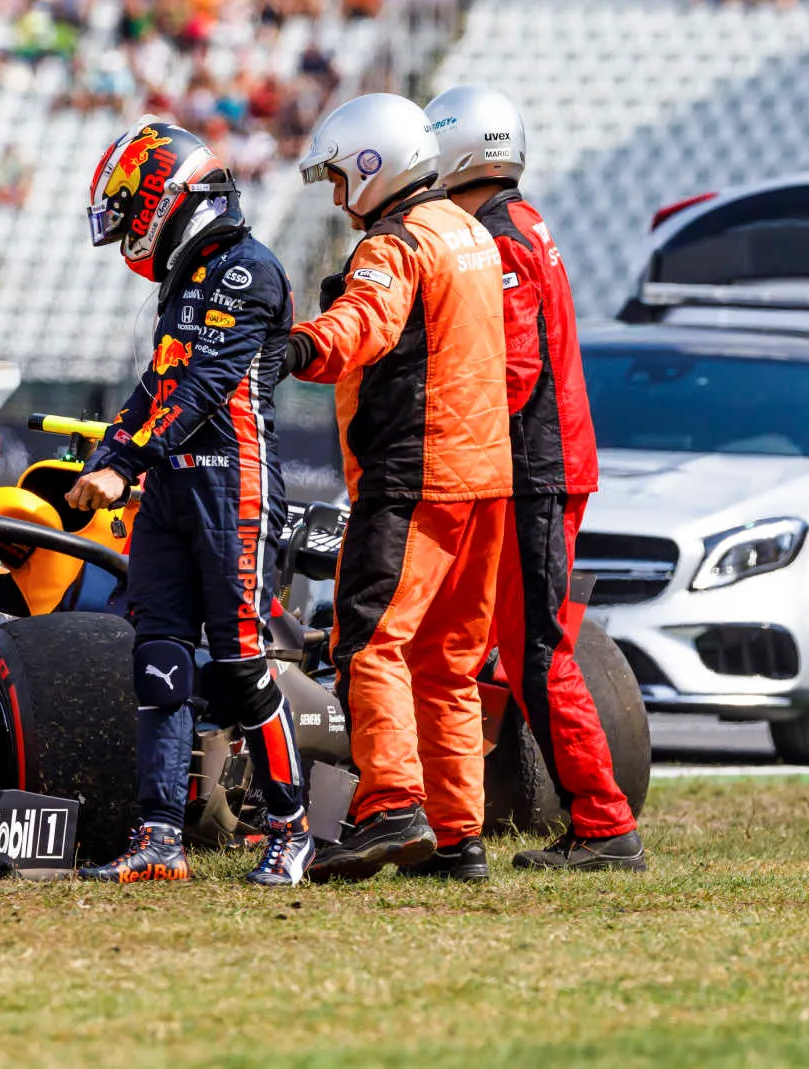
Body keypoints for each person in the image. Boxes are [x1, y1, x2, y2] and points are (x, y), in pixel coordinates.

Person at [66, 118, 309, 886]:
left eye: (130, 213)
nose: (128, 234)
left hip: (233, 487)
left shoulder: (248, 269)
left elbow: (204, 388)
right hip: (172, 487)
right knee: (159, 662)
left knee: (240, 665)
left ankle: (292, 828)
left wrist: (126, 465)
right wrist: (107, 458)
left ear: (165, 198)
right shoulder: (188, 277)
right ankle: (158, 837)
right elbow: (159, 384)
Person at [284, 93, 511, 883]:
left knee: (368, 641)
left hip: (415, 473)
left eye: (340, 177)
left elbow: (366, 325)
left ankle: (390, 805)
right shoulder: (468, 231)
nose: (338, 198)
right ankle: (457, 836)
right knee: (448, 661)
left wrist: (296, 348)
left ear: (372, 165)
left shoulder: (396, 241)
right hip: (486, 474)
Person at [425, 85, 644, 873]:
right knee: (523, 648)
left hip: (532, 470)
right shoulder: (522, 222)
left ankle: (604, 823)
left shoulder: (499, 237)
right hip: (546, 464)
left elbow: (511, 372)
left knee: (537, 652)